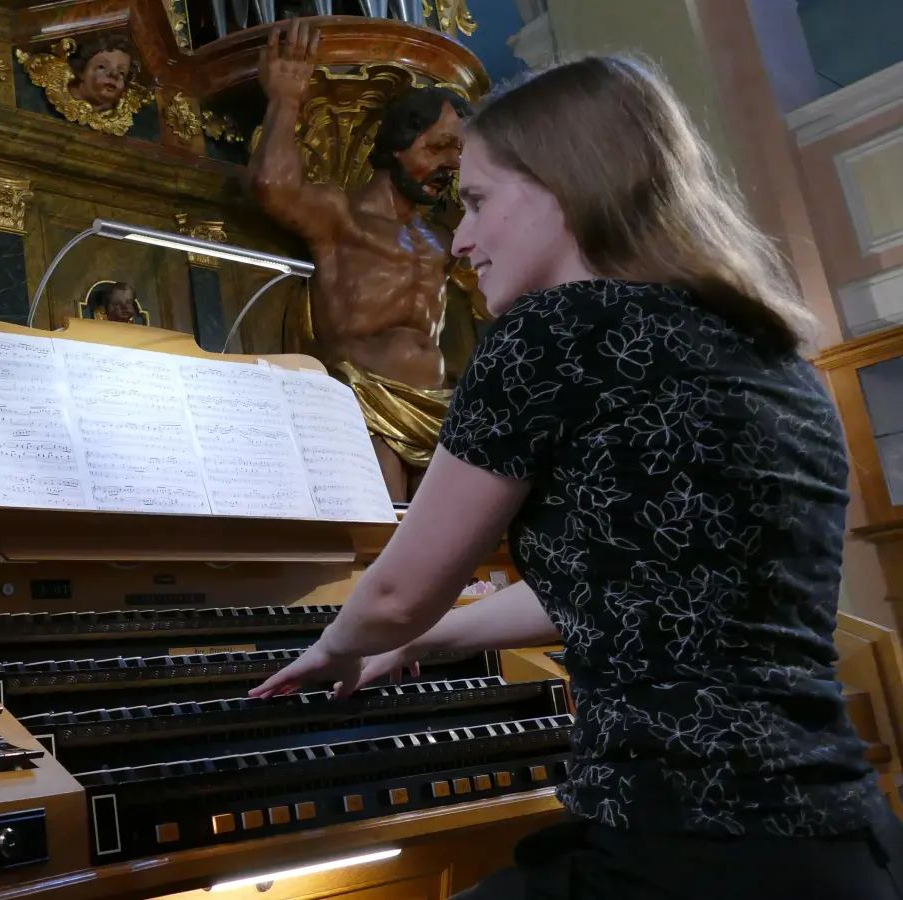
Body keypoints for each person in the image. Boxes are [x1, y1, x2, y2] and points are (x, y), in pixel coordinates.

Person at [250, 54, 903, 899]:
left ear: (566, 188)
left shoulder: (554, 329)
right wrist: (424, 642)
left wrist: (335, 648)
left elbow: (390, 596)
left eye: (479, 201)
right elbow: (629, 586)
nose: (461, 239)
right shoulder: (774, 352)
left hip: (686, 849)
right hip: (839, 839)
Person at [251, 20, 472, 502]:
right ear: (397, 145)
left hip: (438, 408)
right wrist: (286, 100)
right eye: (438, 147)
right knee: (382, 538)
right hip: (364, 400)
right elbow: (275, 188)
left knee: (447, 551)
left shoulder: (444, 236)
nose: (450, 165)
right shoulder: (342, 215)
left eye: (458, 154)